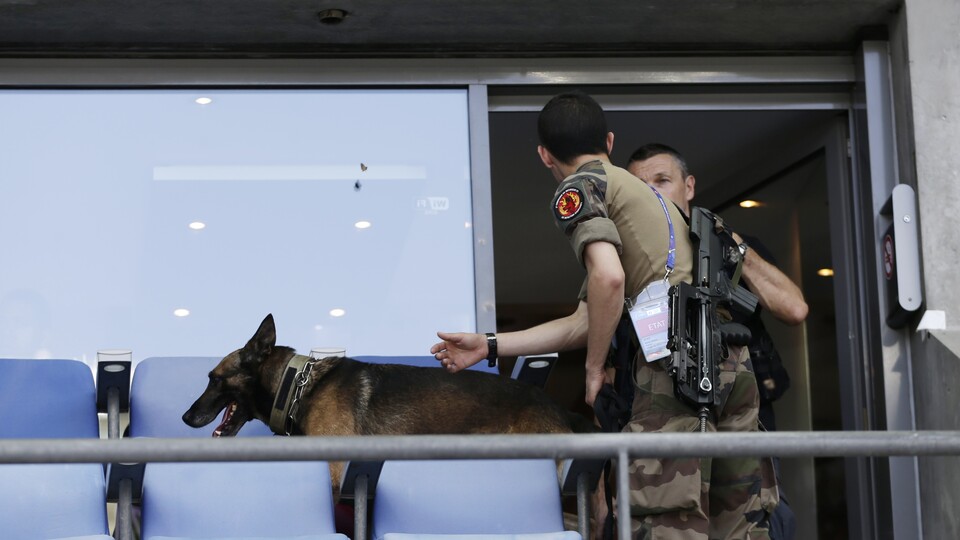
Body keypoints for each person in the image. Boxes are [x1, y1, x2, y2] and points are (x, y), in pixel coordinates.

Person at [431, 92, 774, 539]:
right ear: (609, 141)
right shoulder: (655, 200)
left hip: (676, 367)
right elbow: (586, 319)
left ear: (543, 155)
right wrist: (491, 346)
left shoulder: (580, 186)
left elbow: (608, 278)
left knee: (666, 521)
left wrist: (593, 370)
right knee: (740, 525)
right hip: (729, 361)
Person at [626, 142, 807, 540]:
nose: (654, 193)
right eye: (643, 187)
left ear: (689, 186)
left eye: (663, 181)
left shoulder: (730, 246)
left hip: (740, 431)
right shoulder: (633, 261)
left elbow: (794, 308)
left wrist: (732, 245)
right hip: (665, 449)